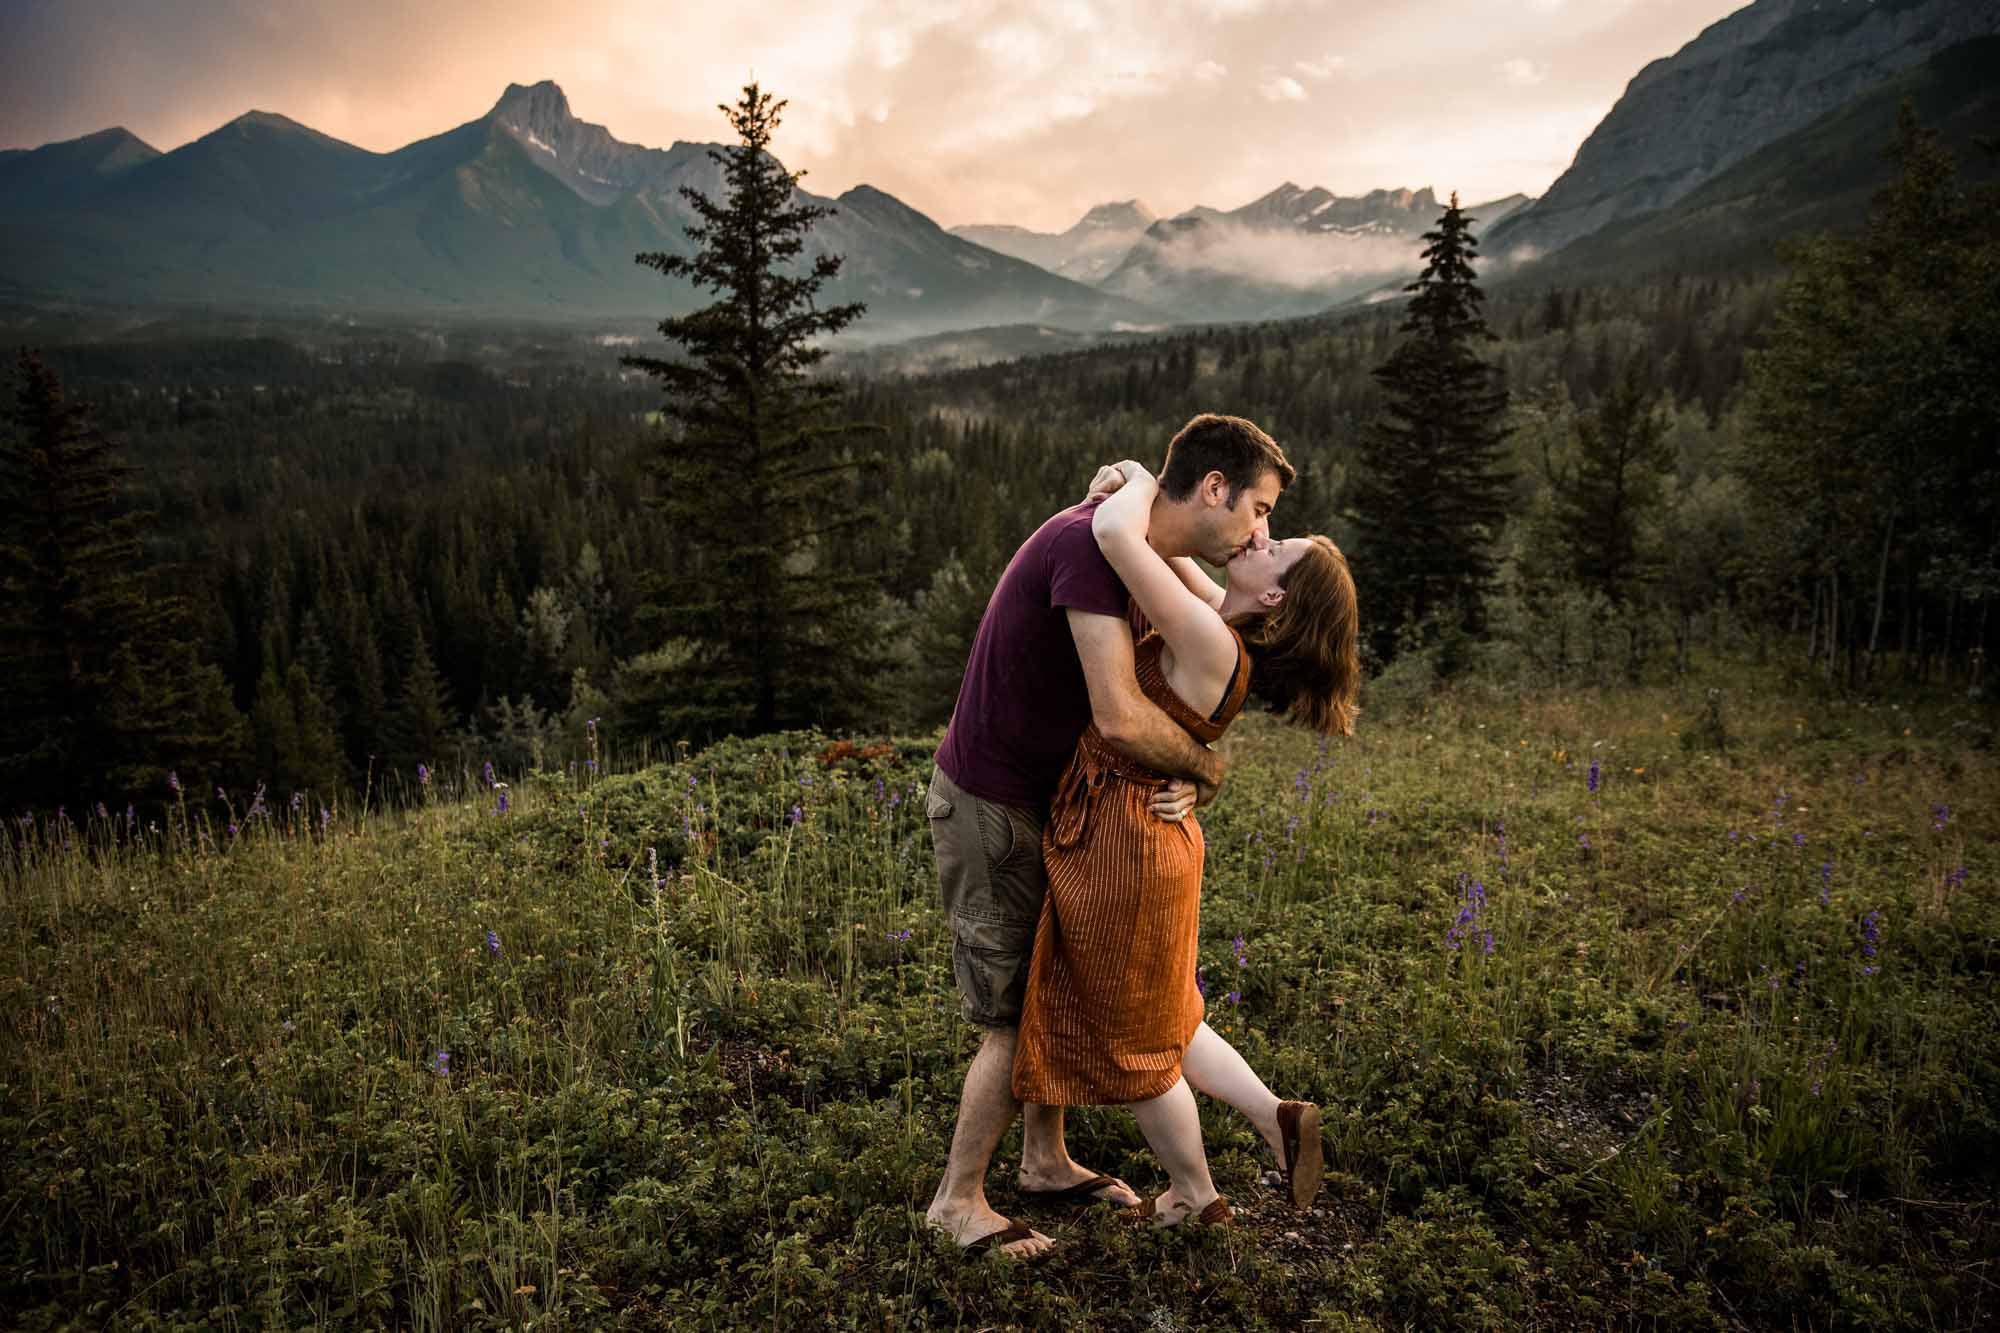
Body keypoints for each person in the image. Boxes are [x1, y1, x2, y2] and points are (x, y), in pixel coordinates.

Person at [925, 414, 1295, 1258]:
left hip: (1047, 801)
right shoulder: (1096, 549)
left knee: (1050, 976)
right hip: (992, 800)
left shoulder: (1139, 547)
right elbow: (1121, 715)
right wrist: (1206, 768)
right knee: (1016, 1008)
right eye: (1258, 509)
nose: (1259, 531)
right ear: (1213, 489)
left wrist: (1130, 477)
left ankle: (1045, 1160)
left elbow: (1204, 641)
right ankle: (957, 1202)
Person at [1011, 454, 1361, 1230]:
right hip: (1154, 834)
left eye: (1274, 545)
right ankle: (1276, 1115)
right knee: (1171, 1013)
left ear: (1272, 594)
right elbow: (1168, 550)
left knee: (1140, 1039)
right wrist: (1145, 474)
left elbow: (1115, 534)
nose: (1256, 535)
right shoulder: (1221, 624)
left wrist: (1135, 487)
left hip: (1125, 840)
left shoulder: (1207, 633)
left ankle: (1194, 1194)